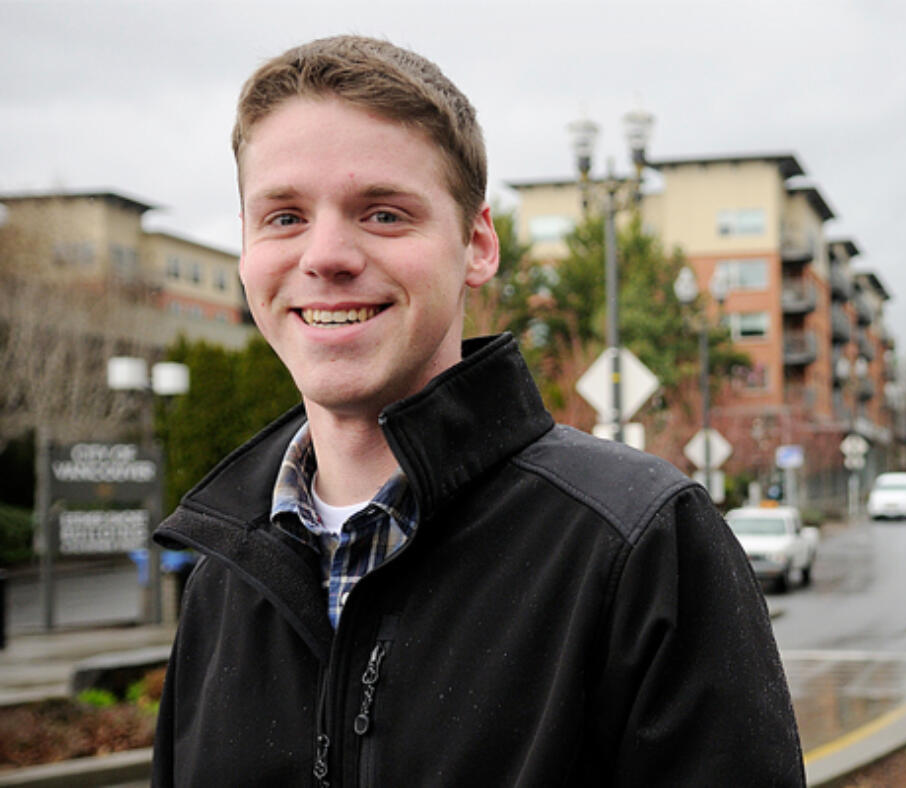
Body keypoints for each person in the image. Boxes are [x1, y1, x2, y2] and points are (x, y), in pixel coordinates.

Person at [152, 35, 804, 786]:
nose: (326, 254)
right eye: (284, 217)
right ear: (244, 249)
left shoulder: (641, 547)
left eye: (385, 215)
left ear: (478, 245)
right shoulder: (223, 583)